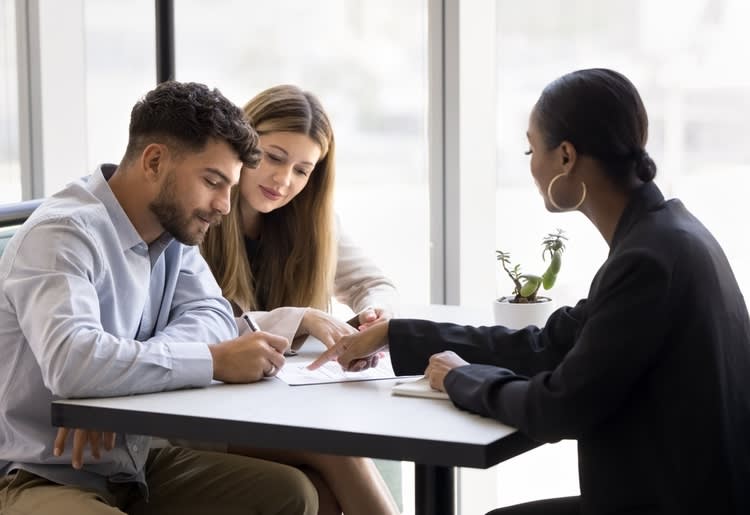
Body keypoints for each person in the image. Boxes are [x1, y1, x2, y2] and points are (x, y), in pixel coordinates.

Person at [311, 68, 750, 515]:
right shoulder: (664, 236)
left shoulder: (648, 260)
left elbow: (559, 407)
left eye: (530, 149)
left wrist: (461, 378)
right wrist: (395, 334)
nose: (530, 166)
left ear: (565, 157)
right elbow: (547, 345)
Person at [0, 80, 319, 515]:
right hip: (37, 472)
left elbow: (213, 314)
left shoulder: (174, 234)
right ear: (154, 161)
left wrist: (109, 390)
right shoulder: (63, 234)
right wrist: (214, 361)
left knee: (291, 493)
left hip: (132, 465)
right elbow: (73, 363)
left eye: (230, 186)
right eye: (212, 181)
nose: (225, 206)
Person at [199, 84, 400, 515]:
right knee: (337, 450)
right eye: (273, 157)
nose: (283, 181)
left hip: (273, 407)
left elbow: (375, 283)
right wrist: (301, 318)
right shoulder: (200, 213)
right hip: (202, 414)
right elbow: (202, 330)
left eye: (302, 170)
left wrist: (375, 314)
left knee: (321, 498)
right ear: (242, 142)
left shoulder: (313, 221)